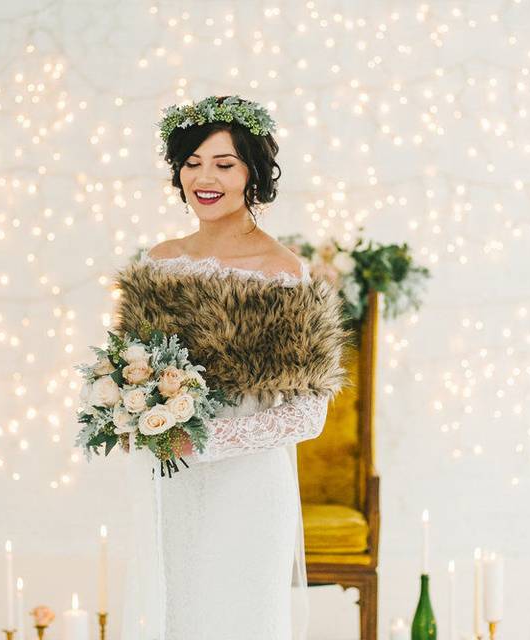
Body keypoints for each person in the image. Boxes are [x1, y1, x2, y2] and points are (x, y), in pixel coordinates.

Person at [111, 95, 351, 640]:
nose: (205, 177)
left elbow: (306, 417)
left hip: (249, 487)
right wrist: (125, 416)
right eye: (192, 162)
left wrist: (200, 440)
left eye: (224, 163)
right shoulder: (159, 262)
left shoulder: (283, 271)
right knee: (179, 617)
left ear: (253, 173)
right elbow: (129, 372)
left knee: (243, 618)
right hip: (173, 485)